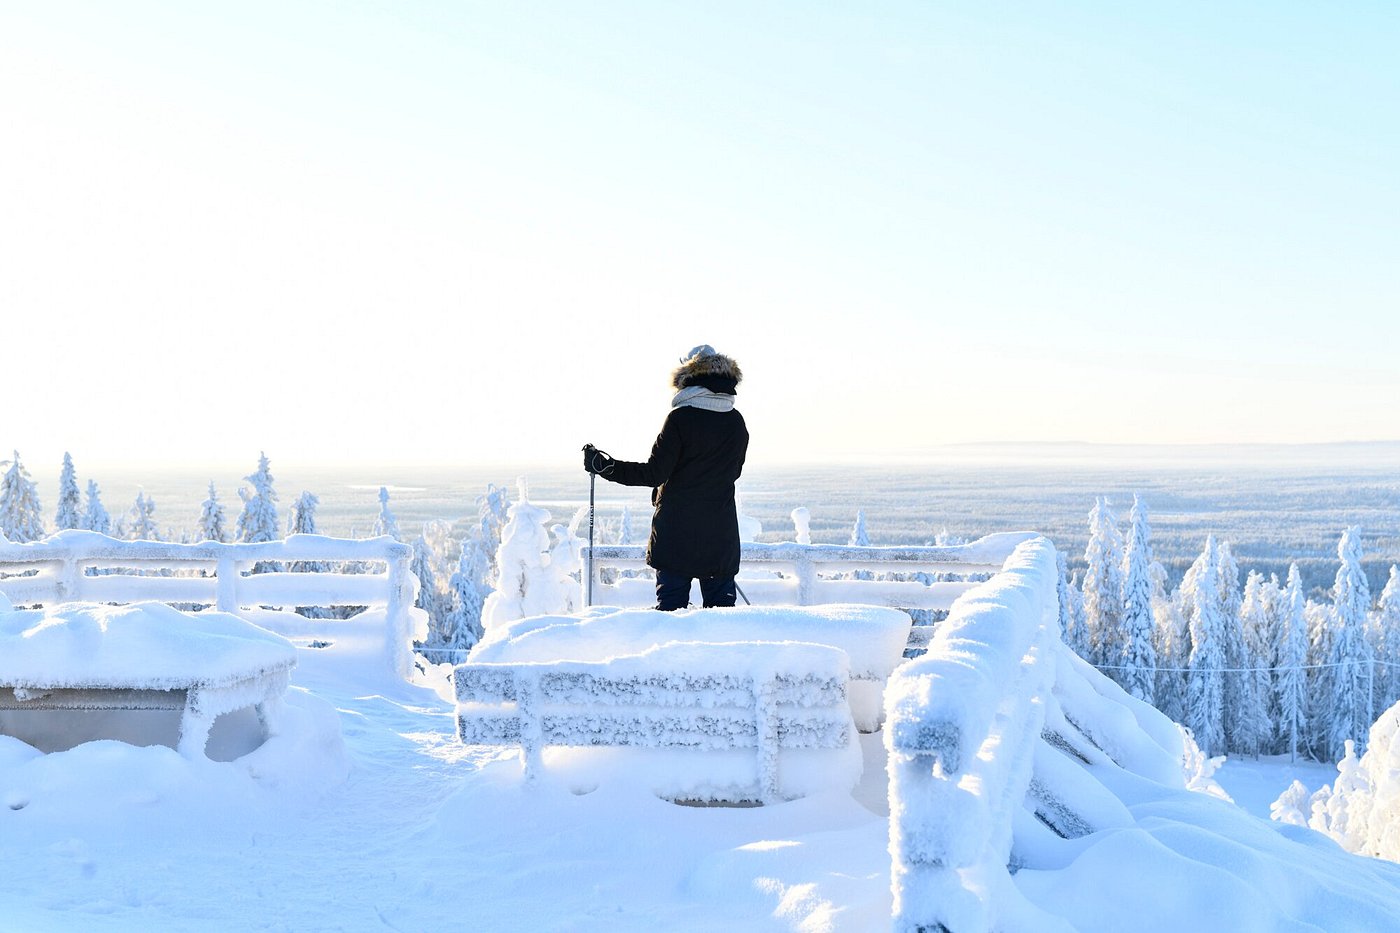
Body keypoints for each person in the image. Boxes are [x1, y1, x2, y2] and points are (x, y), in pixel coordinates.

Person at [583, 345, 749, 611]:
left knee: (670, 616)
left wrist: (606, 467)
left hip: (676, 536)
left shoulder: (680, 419)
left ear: (688, 378)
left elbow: (654, 473)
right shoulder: (736, 422)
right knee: (722, 619)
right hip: (720, 536)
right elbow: (733, 473)